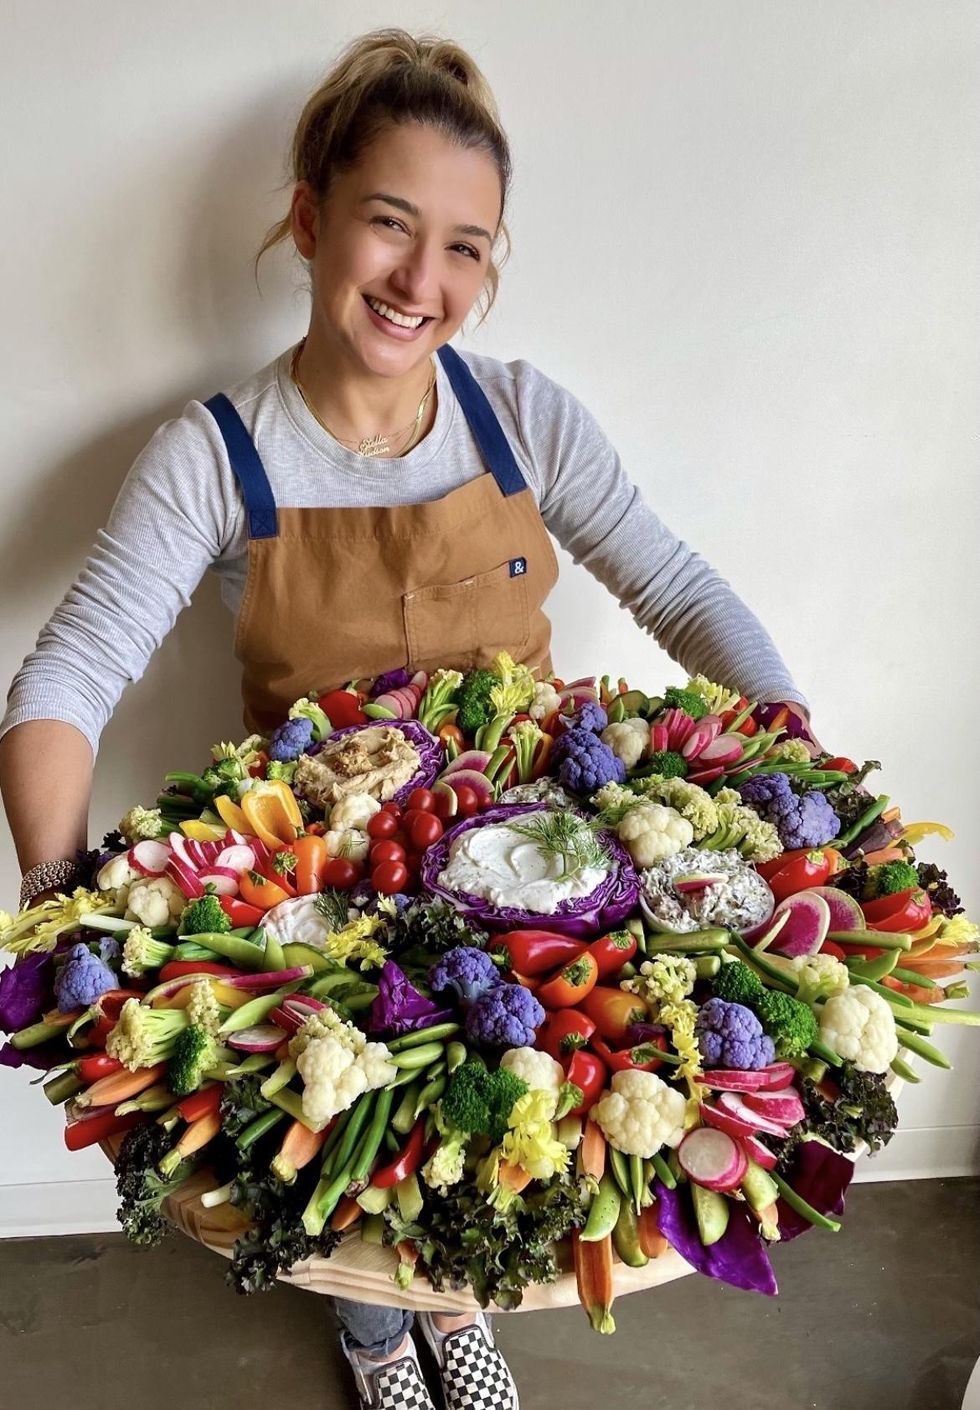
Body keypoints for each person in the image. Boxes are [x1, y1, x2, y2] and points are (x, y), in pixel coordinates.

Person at [0, 28, 815, 1410]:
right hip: (327, 896)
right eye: (390, 226)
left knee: (509, 1128)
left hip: (545, 875)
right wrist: (57, 903)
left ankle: (446, 1302)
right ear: (312, 219)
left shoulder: (524, 419)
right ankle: (385, 1327)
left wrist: (802, 753)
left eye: (466, 247)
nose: (422, 282)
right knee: (360, 1125)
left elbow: (675, 582)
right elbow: (67, 678)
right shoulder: (216, 454)